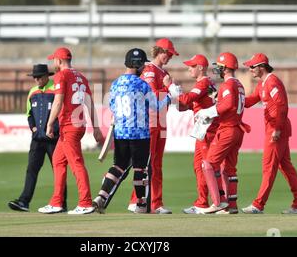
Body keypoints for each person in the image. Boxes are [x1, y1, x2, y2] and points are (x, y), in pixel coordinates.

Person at [92, 48, 179, 214]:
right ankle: (140, 204)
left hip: (121, 132)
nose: (143, 69)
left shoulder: (115, 83)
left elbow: (112, 106)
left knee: (118, 166)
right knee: (141, 170)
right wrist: (170, 95)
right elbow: (156, 107)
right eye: (142, 66)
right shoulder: (142, 85)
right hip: (140, 133)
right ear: (138, 65)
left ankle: (101, 196)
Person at [39, 47, 104, 215]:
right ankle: (56, 202)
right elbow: (89, 104)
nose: (53, 63)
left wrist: (49, 123)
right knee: (58, 160)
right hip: (78, 125)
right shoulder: (81, 77)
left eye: (54, 60)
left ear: (59, 61)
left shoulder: (62, 75)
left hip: (69, 126)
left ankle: (85, 202)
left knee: (76, 163)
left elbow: (58, 102)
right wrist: (96, 128)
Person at [241, 53, 297, 214]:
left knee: (269, 167)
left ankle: (258, 204)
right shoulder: (263, 84)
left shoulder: (272, 82)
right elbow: (250, 101)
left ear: (261, 67)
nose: (250, 70)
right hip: (275, 129)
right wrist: (235, 98)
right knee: (286, 167)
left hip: (277, 130)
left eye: (252, 67)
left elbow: (282, 106)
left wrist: (277, 129)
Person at [128, 38, 179, 214]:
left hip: (160, 122)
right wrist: (168, 90)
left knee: (155, 164)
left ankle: (149, 202)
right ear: (160, 51)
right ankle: (145, 202)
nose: (171, 56)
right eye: (169, 53)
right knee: (148, 165)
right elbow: (150, 96)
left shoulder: (160, 71)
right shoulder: (150, 70)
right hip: (150, 123)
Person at [8, 64, 67, 212]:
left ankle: (61, 203)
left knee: (58, 171)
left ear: (47, 76)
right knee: (31, 169)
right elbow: (29, 114)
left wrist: (55, 129)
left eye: (39, 76)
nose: (36, 79)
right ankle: (24, 202)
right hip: (37, 139)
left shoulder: (56, 88)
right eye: (34, 77)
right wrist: (33, 128)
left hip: (54, 139)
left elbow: (62, 110)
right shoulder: (32, 92)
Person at [196, 52, 249, 214]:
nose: (217, 70)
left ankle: (218, 202)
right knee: (229, 169)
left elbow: (227, 105)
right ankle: (231, 206)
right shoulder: (239, 84)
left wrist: (208, 112)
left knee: (208, 164)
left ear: (225, 68)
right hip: (238, 129)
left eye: (219, 67)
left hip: (228, 128)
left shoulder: (228, 85)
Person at [172, 54, 220, 214]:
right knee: (199, 167)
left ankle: (215, 202)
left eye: (192, 66)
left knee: (206, 166)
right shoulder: (205, 83)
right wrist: (180, 101)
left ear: (200, 68)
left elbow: (188, 99)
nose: (189, 68)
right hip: (203, 129)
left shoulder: (204, 82)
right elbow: (188, 105)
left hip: (207, 129)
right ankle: (203, 202)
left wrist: (173, 89)